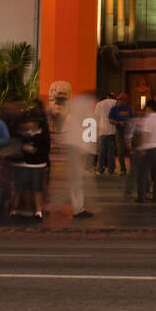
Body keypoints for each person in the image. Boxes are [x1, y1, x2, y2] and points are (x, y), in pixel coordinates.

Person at [13, 104, 51, 221]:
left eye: (32, 122)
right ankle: (15, 209)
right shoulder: (23, 133)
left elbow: (45, 149)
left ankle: (38, 210)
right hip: (24, 163)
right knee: (21, 187)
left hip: (38, 163)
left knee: (37, 187)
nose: (30, 124)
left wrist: (35, 150)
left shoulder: (42, 134)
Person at [66, 89, 98, 218]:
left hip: (73, 145)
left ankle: (78, 207)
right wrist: (91, 150)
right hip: (79, 147)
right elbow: (90, 128)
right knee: (78, 180)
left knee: (76, 180)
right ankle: (78, 208)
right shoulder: (88, 108)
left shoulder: (75, 105)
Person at [137, 98, 156, 203]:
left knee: (143, 173)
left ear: (149, 108)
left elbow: (145, 134)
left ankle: (141, 196)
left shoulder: (148, 119)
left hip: (149, 148)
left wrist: (143, 147)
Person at [109, 92, 134, 175]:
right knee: (120, 151)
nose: (122, 102)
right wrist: (119, 122)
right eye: (121, 100)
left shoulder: (129, 108)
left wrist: (128, 123)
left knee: (130, 150)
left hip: (128, 131)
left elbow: (132, 119)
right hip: (119, 131)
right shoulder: (114, 109)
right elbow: (110, 120)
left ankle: (133, 168)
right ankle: (123, 169)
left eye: (124, 100)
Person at [95, 92, 117, 174]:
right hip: (112, 130)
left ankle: (100, 169)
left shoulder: (99, 104)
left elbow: (96, 117)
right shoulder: (115, 103)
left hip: (101, 131)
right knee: (111, 152)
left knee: (101, 151)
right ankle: (111, 170)